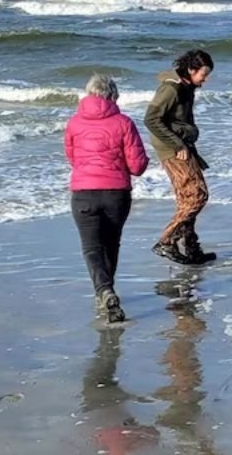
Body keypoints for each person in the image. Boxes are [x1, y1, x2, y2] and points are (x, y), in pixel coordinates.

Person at [65, 74, 149, 323]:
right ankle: (106, 290)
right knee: (111, 244)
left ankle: (104, 291)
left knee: (91, 247)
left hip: (83, 193)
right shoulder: (124, 123)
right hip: (116, 193)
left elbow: (72, 158)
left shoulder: (73, 123)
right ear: (113, 95)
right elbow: (137, 166)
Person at [145, 49, 215, 265]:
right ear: (192, 70)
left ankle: (191, 248)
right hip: (173, 150)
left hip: (182, 146)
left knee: (187, 199)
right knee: (197, 196)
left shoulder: (186, 87)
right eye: (204, 74)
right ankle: (166, 242)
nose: (206, 79)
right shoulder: (171, 89)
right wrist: (177, 144)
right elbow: (151, 119)